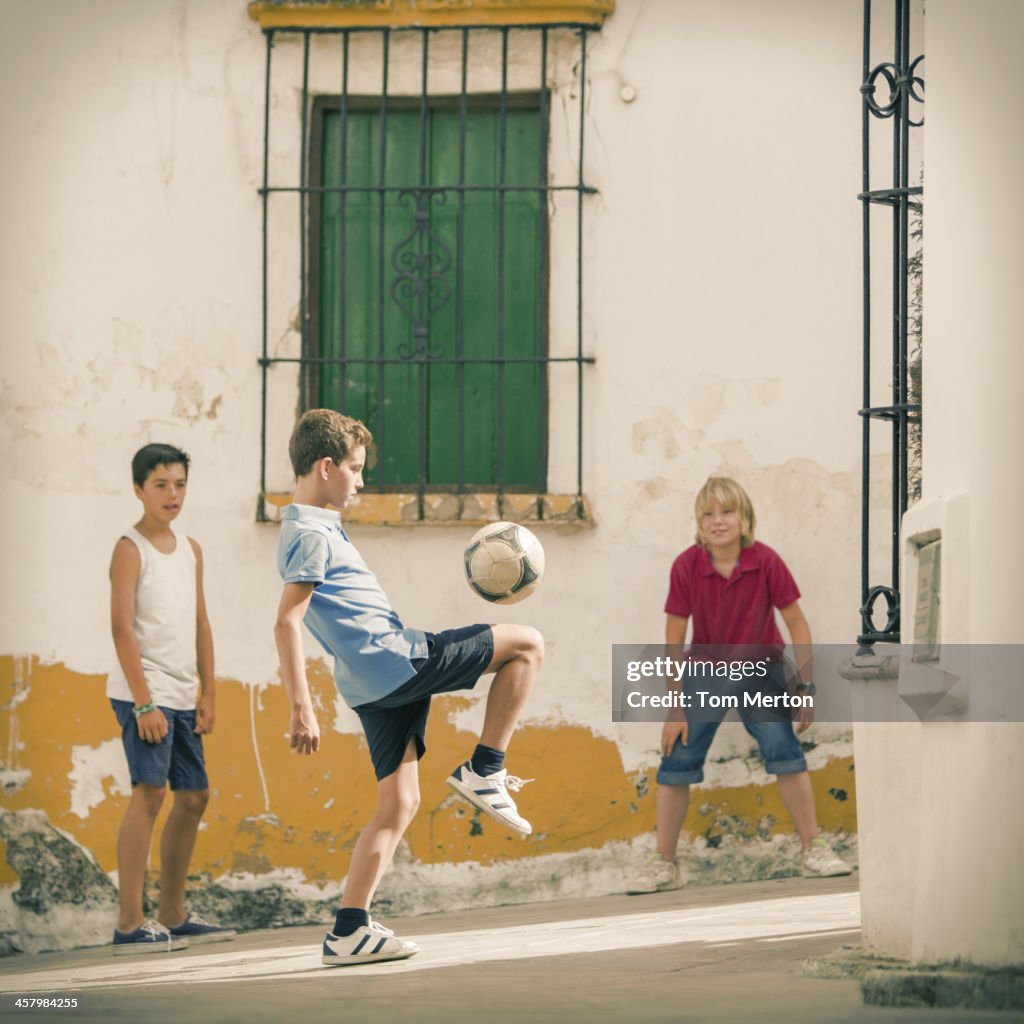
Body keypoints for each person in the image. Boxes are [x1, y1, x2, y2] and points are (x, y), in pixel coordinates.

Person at [274, 409, 544, 967]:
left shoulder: (313, 523)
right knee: (528, 644)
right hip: (396, 660)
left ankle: (349, 929)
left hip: (371, 685)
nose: (361, 480)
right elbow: (286, 621)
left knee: (398, 802)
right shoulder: (307, 532)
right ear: (326, 466)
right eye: (355, 468)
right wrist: (300, 708)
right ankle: (486, 768)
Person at [626, 476, 851, 895]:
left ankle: (813, 848)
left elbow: (797, 622)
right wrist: (675, 706)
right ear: (698, 522)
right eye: (707, 514)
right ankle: (664, 864)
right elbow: (674, 637)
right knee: (676, 759)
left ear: (745, 518)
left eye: (727, 511)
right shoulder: (686, 566)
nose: (717, 521)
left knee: (784, 750)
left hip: (760, 669)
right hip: (706, 671)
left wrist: (806, 687)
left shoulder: (766, 562)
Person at [107, 443, 235, 953]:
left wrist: (209, 691)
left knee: (194, 796)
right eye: (161, 484)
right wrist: (143, 703)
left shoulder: (190, 548)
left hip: (183, 695)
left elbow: (200, 623)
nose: (172, 494)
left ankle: (173, 912)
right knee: (150, 794)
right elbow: (121, 628)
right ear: (139, 489)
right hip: (145, 694)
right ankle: (129, 922)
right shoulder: (128, 547)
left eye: (180, 484)